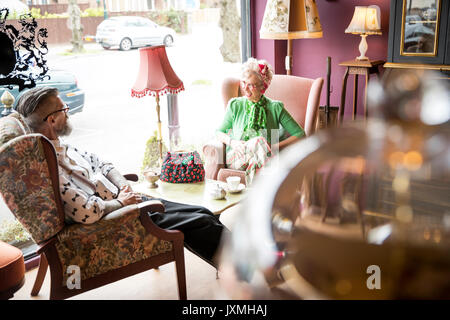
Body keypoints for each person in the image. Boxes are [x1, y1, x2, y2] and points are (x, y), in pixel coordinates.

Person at [15, 87, 229, 268]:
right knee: (201, 222)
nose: (68, 113)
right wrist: (121, 202)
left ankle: (242, 261)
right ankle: (244, 269)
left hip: (129, 201)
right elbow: (85, 212)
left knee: (204, 212)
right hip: (122, 218)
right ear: (52, 120)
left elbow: (102, 164)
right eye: (64, 109)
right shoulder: (51, 166)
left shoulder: (63, 147)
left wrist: (124, 186)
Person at [216, 58, 305, 184]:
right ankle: (275, 185)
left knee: (257, 163)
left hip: (260, 160)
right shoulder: (235, 105)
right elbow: (218, 132)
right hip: (237, 157)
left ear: (263, 86)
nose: (245, 89)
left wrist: (273, 147)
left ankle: (255, 196)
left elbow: (300, 134)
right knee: (259, 141)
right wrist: (233, 142)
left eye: (251, 85)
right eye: (243, 82)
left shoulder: (275, 107)